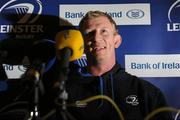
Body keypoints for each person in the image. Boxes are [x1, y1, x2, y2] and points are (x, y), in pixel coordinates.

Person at [41, 11, 172, 120]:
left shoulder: (145, 92)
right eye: (89, 33)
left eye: (103, 31)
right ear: (82, 45)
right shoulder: (61, 89)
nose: (96, 38)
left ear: (116, 41)